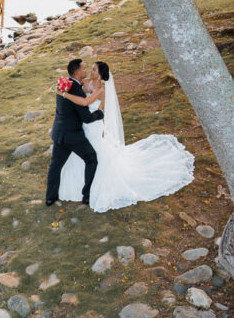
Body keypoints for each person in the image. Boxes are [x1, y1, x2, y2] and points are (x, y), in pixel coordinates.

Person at [57, 61, 194, 212]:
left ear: (101, 74)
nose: (90, 71)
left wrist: (64, 94)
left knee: (94, 150)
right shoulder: (85, 82)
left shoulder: (99, 90)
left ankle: (93, 186)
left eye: (94, 69)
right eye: (90, 68)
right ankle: (77, 185)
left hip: (93, 125)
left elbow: (85, 102)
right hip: (84, 124)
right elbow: (77, 89)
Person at [44, 58, 105, 206]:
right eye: (84, 68)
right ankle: (86, 195)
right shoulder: (76, 90)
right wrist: (100, 114)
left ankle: (50, 197)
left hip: (59, 132)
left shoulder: (64, 85)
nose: (86, 71)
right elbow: (86, 118)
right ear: (77, 71)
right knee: (91, 159)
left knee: (55, 165)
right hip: (73, 136)